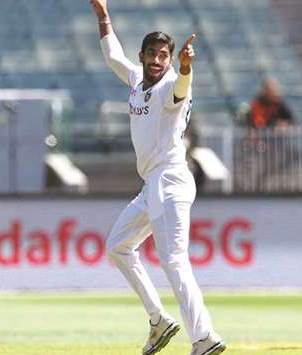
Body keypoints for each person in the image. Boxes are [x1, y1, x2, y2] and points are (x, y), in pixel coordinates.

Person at [89, 1, 226, 355]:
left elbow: (180, 90)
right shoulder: (136, 78)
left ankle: (204, 337)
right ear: (143, 55)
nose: (156, 60)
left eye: (163, 55)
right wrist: (103, 15)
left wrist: (185, 69)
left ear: (170, 60)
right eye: (151, 54)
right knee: (118, 246)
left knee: (174, 260)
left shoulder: (171, 85)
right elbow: (112, 56)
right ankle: (158, 319)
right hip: (153, 184)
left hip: (171, 180)